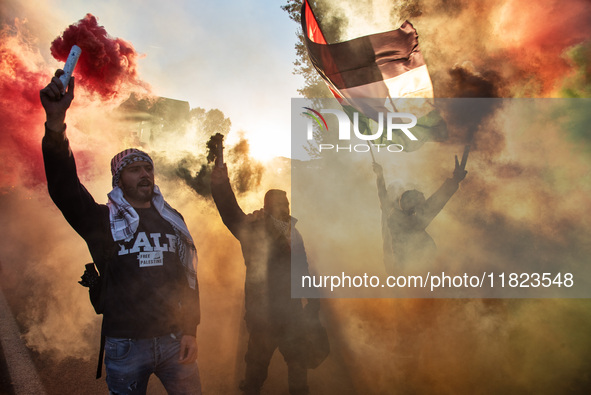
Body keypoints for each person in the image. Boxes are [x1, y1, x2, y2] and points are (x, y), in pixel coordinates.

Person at [40, 70, 202, 395]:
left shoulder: (173, 220)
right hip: (125, 345)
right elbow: (64, 189)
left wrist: (189, 330)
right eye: (134, 169)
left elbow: (188, 278)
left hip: (173, 341)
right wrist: (55, 126)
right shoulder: (102, 221)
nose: (145, 174)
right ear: (119, 181)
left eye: (148, 168)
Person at [211, 163, 317, 395]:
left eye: (287, 203)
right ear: (267, 207)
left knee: (298, 369)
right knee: (255, 372)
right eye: (279, 204)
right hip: (263, 316)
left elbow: (303, 267)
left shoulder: (293, 231)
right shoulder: (254, 227)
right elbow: (231, 213)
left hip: (292, 314)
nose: (285, 208)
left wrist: (313, 302)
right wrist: (221, 185)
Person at [373, 154, 468, 274]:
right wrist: (454, 180)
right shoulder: (407, 220)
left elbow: (434, 203)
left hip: (406, 272)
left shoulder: (400, 216)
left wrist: (379, 175)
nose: (403, 198)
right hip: (408, 273)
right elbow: (434, 203)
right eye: (407, 198)